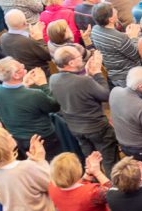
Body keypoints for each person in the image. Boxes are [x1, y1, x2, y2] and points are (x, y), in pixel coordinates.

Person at [48, 46, 118, 174]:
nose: (83, 59)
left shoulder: (53, 79)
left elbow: (77, 90)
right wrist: (97, 73)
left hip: (76, 129)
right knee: (110, 161)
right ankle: (114, 186)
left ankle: (97, 183)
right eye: (80, 57)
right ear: (71, 63)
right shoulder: (84, 81)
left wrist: (87, 75)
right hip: (97, 128)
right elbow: (106, 95)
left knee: (91, 161)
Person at [0, 57, 61, 156]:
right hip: (42, 139)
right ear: (15, 75)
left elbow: (14, 97)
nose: (24, 67)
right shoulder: (34, 94)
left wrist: (23, 85)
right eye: (21, 67)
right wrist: (43, 84)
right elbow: (55, 106)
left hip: (18, 139)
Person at [90, 3, 142, 87]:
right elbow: (136, 55)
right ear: (110, 19)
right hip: (128, 76)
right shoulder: (120, 38)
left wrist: (126, 37)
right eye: (114, 11)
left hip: (112, 74)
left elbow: (112, 42)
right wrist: (133, 37)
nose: (116, 11)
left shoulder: (95, 30)